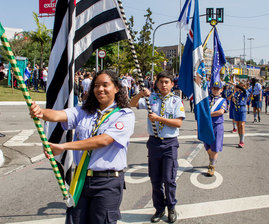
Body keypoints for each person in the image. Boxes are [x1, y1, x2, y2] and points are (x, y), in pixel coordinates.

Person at [30, 70, 135, 224]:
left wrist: (65, 146)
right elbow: (59, 115)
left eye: (105, 85)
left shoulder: (125, 115)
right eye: (97, 85)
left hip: (107, 183)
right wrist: (41, 112)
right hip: (81, 178)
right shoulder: (84, 111)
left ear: (116, 88)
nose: (100, 89)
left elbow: (103, 140)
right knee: (74, 221)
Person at [130, 71, 185, 223]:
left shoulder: (176, 101)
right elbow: (132, 104)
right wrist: (141, 94)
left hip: (169, 143)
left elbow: (178, 122)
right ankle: (159, 209)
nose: (164, 85)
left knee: (169, 179)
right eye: (161, 82)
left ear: (172, 84)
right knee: (155, 180)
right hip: (154, 142)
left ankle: (171, 207)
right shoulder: (151, 99)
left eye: (167, 82)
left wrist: (158, 118)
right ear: (156, 84)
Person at [204, 81, 227, 177]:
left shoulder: (223, 100)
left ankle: (212, 166)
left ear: (221, 90)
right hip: (207, 125)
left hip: (217, 125)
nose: (215, 90)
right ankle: (212, 159)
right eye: (214, 88)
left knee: (215, 146)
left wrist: (207, 114)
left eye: (218, 89)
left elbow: (221, 112)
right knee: (207, 145)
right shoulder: (207, 99)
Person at [231, 82, 249, 148]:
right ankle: (240, 139)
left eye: (242, 86)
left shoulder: (245, 92)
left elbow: (243, 90)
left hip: (242, 109)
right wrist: (233, 99)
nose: (241, 87)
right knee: (238, 125)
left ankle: (242, 141)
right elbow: (233, 99)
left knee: (242, 125)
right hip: (236, 110)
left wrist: (236, 85)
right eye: (241, 86)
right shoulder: (237, 93)